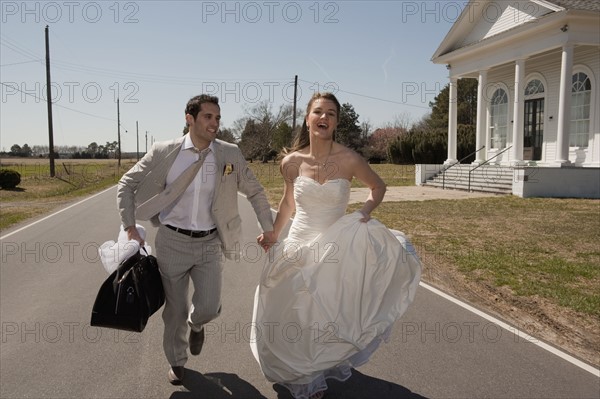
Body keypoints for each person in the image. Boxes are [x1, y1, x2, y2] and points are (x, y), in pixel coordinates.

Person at [251, 92, 421, 399]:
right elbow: (288, 202)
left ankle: (313, 374)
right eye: (318, 112)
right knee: (293, 311)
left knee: (322, 312)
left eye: (331, 113)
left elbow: (378, 187)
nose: (324, 117)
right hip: (299, 244)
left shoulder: (350, 159)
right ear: (307, 118)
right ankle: (298, 370)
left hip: (335, 246)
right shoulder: (291, 162)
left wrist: (363, 213)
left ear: (336, 122)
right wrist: (275, 232)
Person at [117, 94, 275, 385]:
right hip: (172, 242)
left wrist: (270, 228)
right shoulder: (164, 151)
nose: (214, 123)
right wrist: (129, 226)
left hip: (210, 243)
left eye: (217, 118)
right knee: (174, 311)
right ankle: (177, 362)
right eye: (208, 117)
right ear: (189, 119)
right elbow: (127, 183)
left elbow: (255, 190)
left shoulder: (229, 154)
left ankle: (198, 324)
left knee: (209, 305)